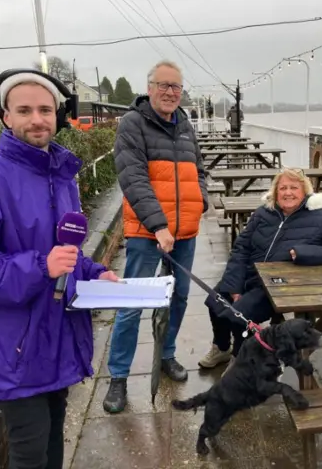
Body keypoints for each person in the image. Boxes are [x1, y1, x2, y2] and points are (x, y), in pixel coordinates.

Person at [0, 69, 119, 469]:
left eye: (45, 109)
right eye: (24, 110)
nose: (36, 119)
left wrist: (92, 273)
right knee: (30, 449)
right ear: (5, 116)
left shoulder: (62, 176)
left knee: (54, 435)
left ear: (58, 115)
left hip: (55, 336)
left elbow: (64, 253)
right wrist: (40, 266)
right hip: (12, 346)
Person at [105, 60, 208, 413]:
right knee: (132, 305)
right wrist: (159, 226)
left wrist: (201, 202)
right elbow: (133, 178)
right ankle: (118, 377)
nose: (169, 92)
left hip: (186, 231)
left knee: (178, 298)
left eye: (175, 87)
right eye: (162, 85)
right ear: (149, 88)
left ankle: (167, 355)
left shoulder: (185, 125)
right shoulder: (133, 124)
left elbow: (199, 169)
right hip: (148, 234)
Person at [199, 167, 322, 371]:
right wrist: (234, 285)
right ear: (275, 191)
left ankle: (241, 360)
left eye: (293, 188)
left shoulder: (321, 218)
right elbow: (241, 247)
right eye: (283, 188)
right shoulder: (264, 213)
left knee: (238, 317)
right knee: (214, 301)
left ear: (305, 191)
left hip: (277, 285)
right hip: (248, 275)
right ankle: (221, 347)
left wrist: (302, 253)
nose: (287, 193)